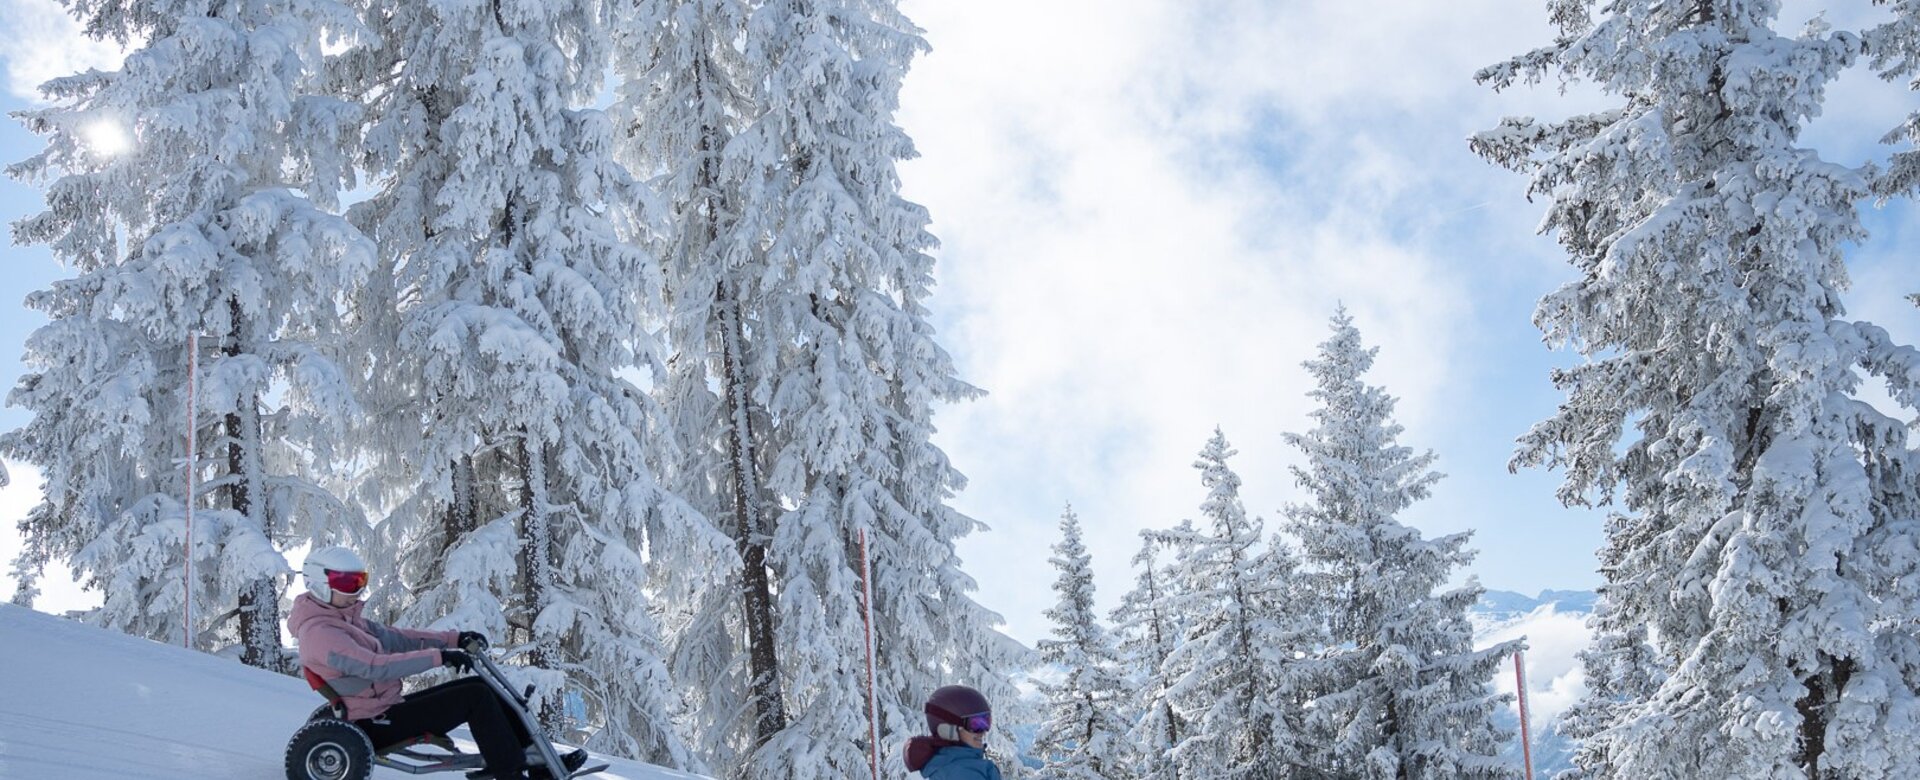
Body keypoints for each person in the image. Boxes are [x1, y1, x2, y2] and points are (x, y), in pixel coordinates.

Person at [288, 545, 587, 780]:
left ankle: (538, 762)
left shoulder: (345, 619)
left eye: (360, 581)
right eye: (347, 582)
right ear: (319, 583)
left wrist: (452, 639)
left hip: (384, 709)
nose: (357, 589)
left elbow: (396, 637)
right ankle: (509, 772)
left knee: (479, 686)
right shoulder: (321, 633)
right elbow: (375, 666)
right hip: (373, 722)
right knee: (476, 697)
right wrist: (438, 657)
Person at [902, 684, 1002, 779]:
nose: (983, 732)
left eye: (986, 722)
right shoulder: (962, 772)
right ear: (950, 728)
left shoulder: (946, 762)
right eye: (975, 725)